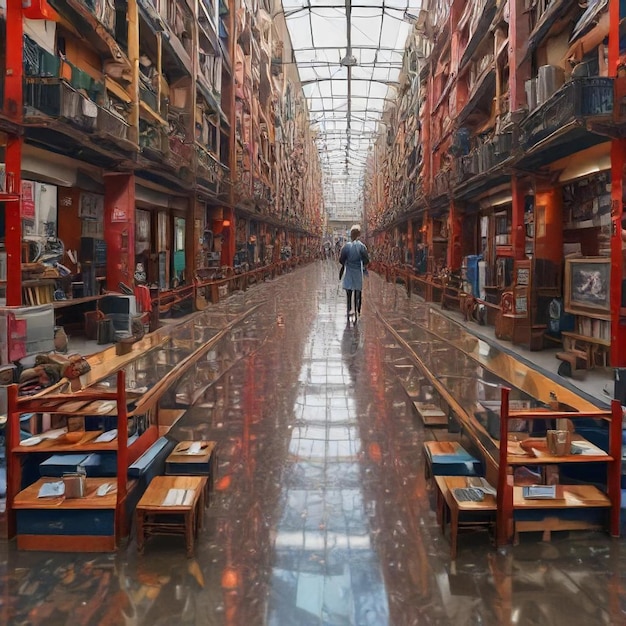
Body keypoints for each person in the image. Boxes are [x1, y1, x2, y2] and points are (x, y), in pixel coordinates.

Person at [339, 225, 369, 321]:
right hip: (358, 272)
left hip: (349, 272)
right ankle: (357, 310)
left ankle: (349, 309)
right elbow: (366, 260)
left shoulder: (346, 247)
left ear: (351, 235)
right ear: (359, 235)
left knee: (349, 292)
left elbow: (341, 260)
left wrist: (347, 263)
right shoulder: (362, 246)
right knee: (358, 291)